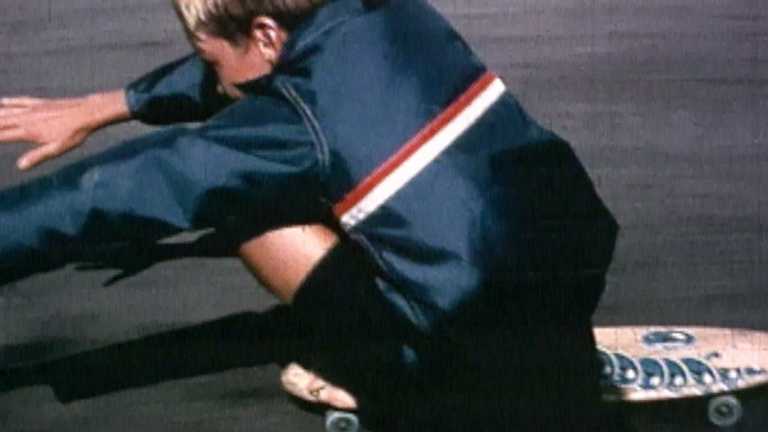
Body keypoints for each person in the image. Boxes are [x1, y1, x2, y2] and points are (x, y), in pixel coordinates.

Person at [0, 0, 621, 430]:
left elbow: (105, 195)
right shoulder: (388, 14)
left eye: (207, 56)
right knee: (359, 170)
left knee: (246, 195)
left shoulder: (298, 124)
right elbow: (248, 66)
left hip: (460, 368)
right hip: (572, 276)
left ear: (268, 34)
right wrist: (115, 103)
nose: (211, 71)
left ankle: (384, 378)